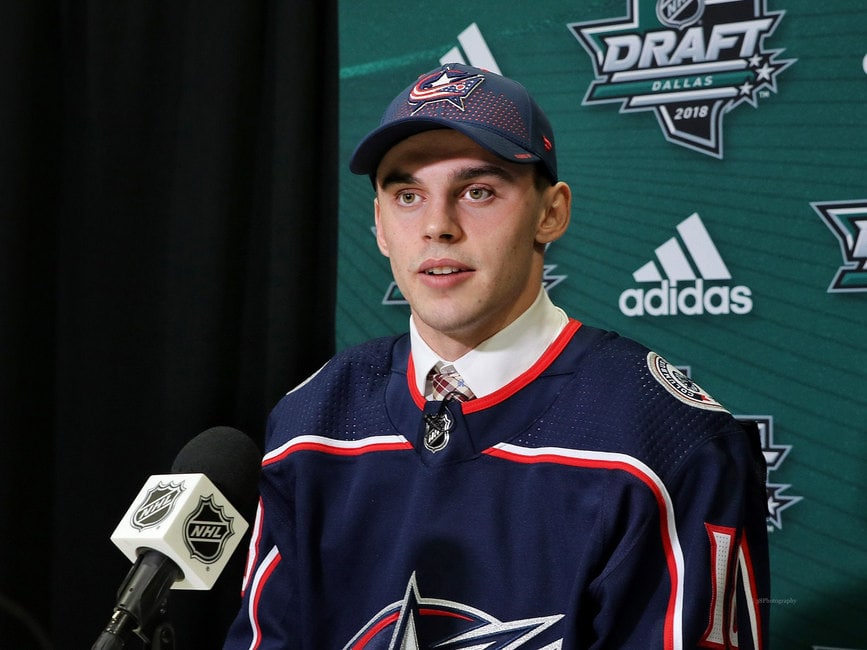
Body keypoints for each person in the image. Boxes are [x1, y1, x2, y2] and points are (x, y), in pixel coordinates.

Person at [223, 63, 770, 649]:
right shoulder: (311, 423)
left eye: (477, 191)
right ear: (379, 226)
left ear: (551, 212)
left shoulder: (668, 442)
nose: (437, 226)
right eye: (408, 195)